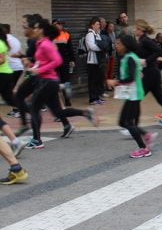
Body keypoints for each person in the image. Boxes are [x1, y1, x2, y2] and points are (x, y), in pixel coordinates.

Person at [25, 18, 96, 149]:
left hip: (47, 81)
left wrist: (38, 69)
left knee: (34, 107)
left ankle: (37, 140)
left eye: (36, 28)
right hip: (48, 81)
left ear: (42, 30)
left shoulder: (46, 43)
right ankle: (85, 113)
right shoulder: (41, 43)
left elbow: (57, 61)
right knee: (57, 112)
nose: (33, 30)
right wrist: (32, 66)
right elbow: (42, 61)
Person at [107, 34, 155, 158]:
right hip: (132, 94)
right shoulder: (129, 57)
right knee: (123, 122)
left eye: (118, 44)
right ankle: (146, 135)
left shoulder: (129, 58)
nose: (116, 46)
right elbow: (138, 74)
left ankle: (144, 148)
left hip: (134, 94)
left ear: (125, 45)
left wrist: (115, 82)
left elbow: (132, 77)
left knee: (127, 122)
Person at [0, 26, 27, 156]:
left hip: (2, 74)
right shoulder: (4, 42)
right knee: (10, 99)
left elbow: (2, 59)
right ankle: (15, 141)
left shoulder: (0, 43)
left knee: (11, 99)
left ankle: (15, 141)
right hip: (6, 74)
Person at [0, 24, 24, 118]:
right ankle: (22, 109)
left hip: (11, 69)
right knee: (9, 95)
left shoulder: (5, 41)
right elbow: (20, 52)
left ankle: (24, 109)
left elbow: (2, 59)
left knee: (10, 94)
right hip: (15, 68)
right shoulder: (13, 39)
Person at [52, 19, 75, 107]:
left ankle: (67, 99)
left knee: (66, 81)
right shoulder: (49, 35)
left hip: (64, 61)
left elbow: (70, 48)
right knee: (53, 81)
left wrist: (72, 60)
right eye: (58, 24)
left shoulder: (66, 34)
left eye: (61, 24)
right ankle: (55, 99)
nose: (60, 26)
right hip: (53, 61)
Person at [85, 17, 106, 105]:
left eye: (99, 24)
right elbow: (92, 46)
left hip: (98, 60)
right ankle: (92, 99)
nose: (99, 26)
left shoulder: (97, 34)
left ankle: (97, 97)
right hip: (92, 61)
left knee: (97, 80)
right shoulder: (90, 34)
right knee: (92, 80)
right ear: (92, 25)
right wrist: (102, 48)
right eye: (97, 24)